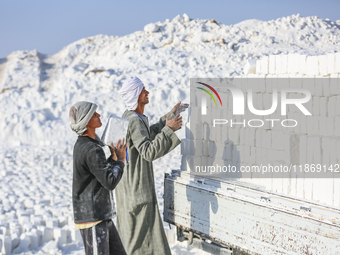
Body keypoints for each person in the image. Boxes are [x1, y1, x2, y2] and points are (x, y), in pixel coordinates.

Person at [115, 77, 183, 255]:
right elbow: (148, 151)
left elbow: (146, 135)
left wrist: (168, 118)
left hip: (128, 190)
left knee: (137, 243)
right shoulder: (134, 120)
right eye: (143, 90)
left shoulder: (130, 117)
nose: (147, 92)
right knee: (142, 244)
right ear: (136, 95)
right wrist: (169, 130)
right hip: (137, 192)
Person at [69, 101, 127, 255]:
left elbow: (100, 173)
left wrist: (114, 158)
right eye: (95, 114)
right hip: (92, 217)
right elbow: (109, 181)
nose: (99, 115)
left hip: (100, 215)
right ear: (87, 121)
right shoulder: (90, 148)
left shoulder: (87, 145)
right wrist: (121, 160)